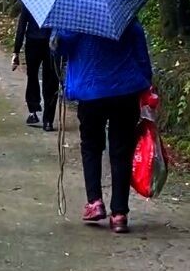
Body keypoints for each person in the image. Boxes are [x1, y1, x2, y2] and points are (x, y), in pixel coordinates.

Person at [53, 18, 152, 234]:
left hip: (91, 92)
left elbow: (59, 50)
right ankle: (119, 214)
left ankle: (95, 201)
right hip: (125, 92)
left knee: (91, 146)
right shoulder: (127, 21)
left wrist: (56, 36)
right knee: (121, 151)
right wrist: (146, 87)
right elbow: (143, 60)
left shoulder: (76, 21)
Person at [11, 5, 58, 131]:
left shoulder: (31, 0)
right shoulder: (56, 1)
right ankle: (48, 120)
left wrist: (16, 50)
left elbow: (22, 25)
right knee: (51, 80)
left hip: (33, 42)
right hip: (51, 43)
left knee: (32, 77)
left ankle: (33, 111)